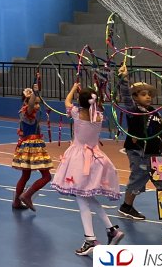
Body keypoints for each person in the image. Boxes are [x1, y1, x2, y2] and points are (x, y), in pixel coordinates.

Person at [51, 83, 124, 256]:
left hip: (79, 160)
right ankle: (111, 230)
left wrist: (73, 88)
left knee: (82, 199)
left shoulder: (77, 113)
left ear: (80, 101)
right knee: (88, 197)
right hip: (96, 159)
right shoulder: (98, 116)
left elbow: (67, 102)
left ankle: (90, 238)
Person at [118, 82, 162, 220]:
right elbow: (126, 98)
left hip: (156, 151)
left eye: (149, 94)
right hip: (139, 152)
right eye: (143, 94)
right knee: (138, 177)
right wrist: (124, 80)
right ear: (135, 97)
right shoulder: (133, 111)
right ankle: (126, 207)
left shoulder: (154, 111)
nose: (148, 97)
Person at [11, 86, 51, 211]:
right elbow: (31, 104)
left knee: (25, 175)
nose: (37, 106)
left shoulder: (28, 114)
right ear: (27, 102)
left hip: (26, 146)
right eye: (35, 103)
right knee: (47, 176)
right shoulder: (27, 112)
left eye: (39, 103)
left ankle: (16, 202)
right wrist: (35, 92)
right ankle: (27, 195)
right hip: (33, 147)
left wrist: (36, 90)